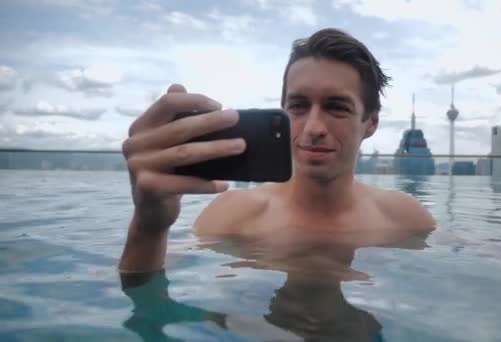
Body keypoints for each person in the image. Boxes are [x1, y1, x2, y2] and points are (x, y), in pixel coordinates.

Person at [118, 27, 435, 275]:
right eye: (298, 106)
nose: (313, 127)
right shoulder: (233, 214)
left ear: (370, 123)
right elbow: (146, 284)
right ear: (282, 110)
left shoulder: (405, 217)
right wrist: (148, 228)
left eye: (336, 107)